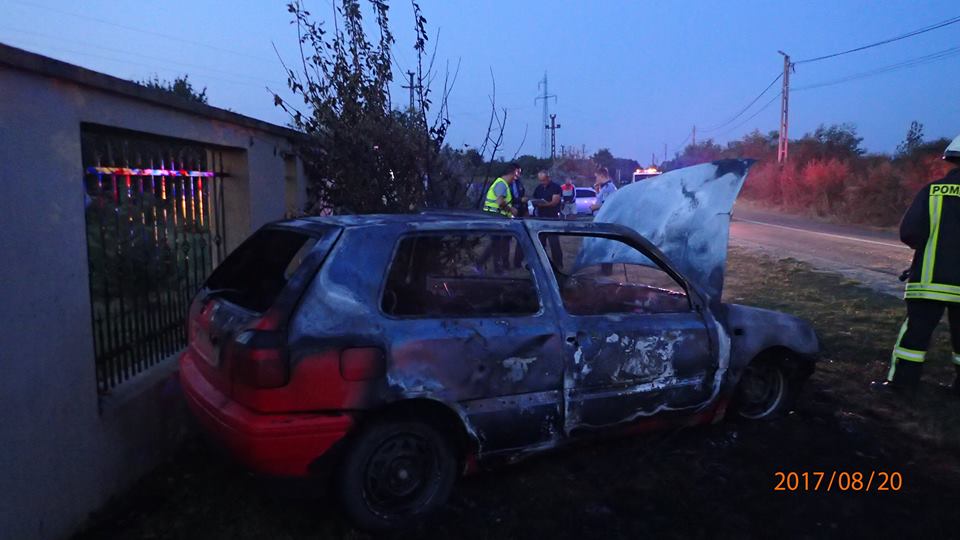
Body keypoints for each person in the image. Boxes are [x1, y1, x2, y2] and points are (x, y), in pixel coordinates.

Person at [877, 134, 960, 397]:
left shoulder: (932, 191)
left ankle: (902, 385)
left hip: (929, 281)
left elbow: (909, 232)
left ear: (951, 161)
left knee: (915, 335)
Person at [479, 163, 521, 272]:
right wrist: (512, 210)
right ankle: (486, 266)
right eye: (515, 175)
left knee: (496, 243)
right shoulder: (501, 184)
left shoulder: (503, 184)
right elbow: (500, 202)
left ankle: (492, 267)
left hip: (495, 216)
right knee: (496, 243)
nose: (515, 179)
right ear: (511, 173)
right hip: (495, 216)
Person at [531, 170, 564, 266]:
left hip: (552, 218)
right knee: (540, 242)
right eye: (540, 180)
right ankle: (543, 263)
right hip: (540, 218)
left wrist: (543, 204)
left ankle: (558, 264)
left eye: (544, 180)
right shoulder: (539, 188)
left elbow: (554, 202)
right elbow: (534, 199)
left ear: (548, 178)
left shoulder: (556, 187)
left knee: (554, 242)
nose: (542, 182)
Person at [591, 167, 618, 275]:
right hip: (602, 219)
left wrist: (595, 207)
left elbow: (607, 204)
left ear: (602, 176)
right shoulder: (604, 187)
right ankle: (604, 268)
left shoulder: (609, 187)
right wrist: (597, 190)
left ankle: (607, 270)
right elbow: (602, 199)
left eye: (596, 177)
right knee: (602, 245)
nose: (596, 179)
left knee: (606, 246)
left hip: (606, 220)